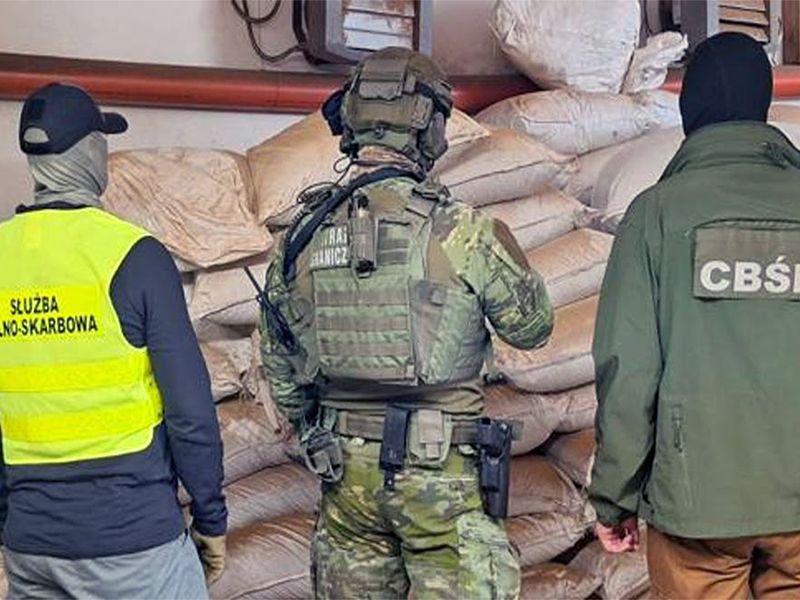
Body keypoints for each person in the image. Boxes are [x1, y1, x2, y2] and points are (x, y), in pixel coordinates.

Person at [259, 47, 553, 599]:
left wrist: (319, 427)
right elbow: (532, 328)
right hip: (441, 477)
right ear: (430, 129)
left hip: (345, 475)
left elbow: (280, 364)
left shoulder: (300, 237)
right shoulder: (462, 230)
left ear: (351, 123)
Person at [589, 32, 800, 599]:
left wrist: (614, 497)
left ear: (690, 110)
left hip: (699, 502)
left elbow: (629, 369)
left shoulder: (656, 214)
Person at [0, 82, 227, 599]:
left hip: (32, 548)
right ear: (91, 153)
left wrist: (11, 523)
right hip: (134, 547)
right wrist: (211, 519)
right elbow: (190, 414)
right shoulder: (134, 255)